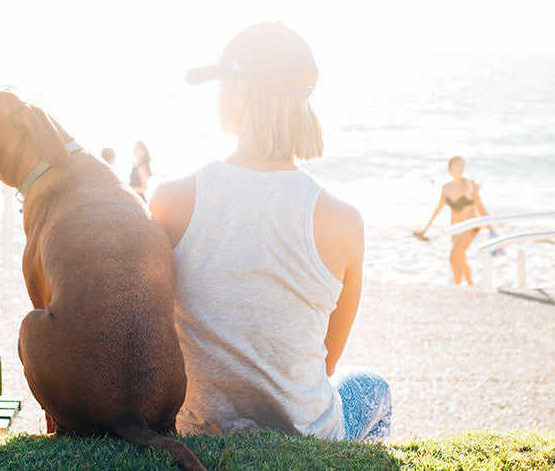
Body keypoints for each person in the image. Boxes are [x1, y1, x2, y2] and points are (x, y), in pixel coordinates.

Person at [149, 22, 390, 442]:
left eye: (222, 84)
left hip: (199, 429)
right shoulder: (343, 220)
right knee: (374, 387)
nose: (218, 95)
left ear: (241, 91)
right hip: (308, 434)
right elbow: (327, 363)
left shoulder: (172, 200)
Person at [416, 156, 489, 286]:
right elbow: (438, 210)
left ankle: (457, 286)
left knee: (453, 257)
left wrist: (491, 228)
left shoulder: (470, 184)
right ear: (450, 169)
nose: (460, 168)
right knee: (460, 258)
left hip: (470, 227)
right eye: (457, 165)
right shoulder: (446, 187)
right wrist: (426, 229)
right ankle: (471, 285)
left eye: (462, 165)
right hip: (455, 228)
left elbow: (480, 206)